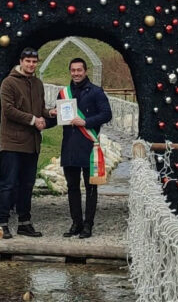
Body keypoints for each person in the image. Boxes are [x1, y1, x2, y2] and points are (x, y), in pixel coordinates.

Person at [50, 58, 112, 239]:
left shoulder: (96, 91)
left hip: (88, 145)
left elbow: (107, 114)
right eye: (73, 70)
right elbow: (58, 118)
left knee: (91, 188)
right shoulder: (63, 94)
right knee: (72, 187)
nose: (76, 73)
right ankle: (76, 222)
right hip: (69, 145)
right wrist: (50, 114)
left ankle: (88, 225)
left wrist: (86, 122)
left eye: (79, 70)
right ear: (70, 72)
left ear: (85, 71)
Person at [0, 47, 54, 238]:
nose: (31, 64)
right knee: (9, 183)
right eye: (28, 61)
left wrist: (49, 113)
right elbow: (9, 110)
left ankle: (24, 222)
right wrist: (33, 120)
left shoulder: (37, 83)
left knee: (27, 184)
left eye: (34, 61)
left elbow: (40, 109)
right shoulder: (8, 82)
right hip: (12, 142)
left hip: (32, 143)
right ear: (21, 62)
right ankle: (2, 223)